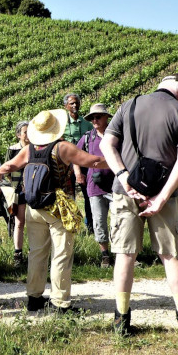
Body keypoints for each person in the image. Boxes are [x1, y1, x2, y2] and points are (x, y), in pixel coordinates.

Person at [99, 74, 178, 334]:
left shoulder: (128, 105)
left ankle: (121, 318)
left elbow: (106, 143)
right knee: (171, 255)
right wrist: (162, 197)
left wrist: (123, 176)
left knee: (125, 254)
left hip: (125, 191)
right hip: (164, 194)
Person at [0, 110, 107, 313]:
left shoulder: (30, 149)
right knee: (61, 254)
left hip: (34, 207)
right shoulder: (63, 147)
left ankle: (34, 298)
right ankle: (60, 302)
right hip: (58, 207)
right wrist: (117, 162)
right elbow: (92, 161)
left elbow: (10, 165)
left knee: (36, 253)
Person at [77, 104, 115, 268]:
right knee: (99, 222)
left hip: (115, 186)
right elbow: (75, 156)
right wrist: (78, 173)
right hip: (94, 187)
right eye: (92, 117)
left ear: (106, 117)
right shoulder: (87, 137)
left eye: (98, 116)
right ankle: (105, 255)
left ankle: (123, 254)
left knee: (119, 222)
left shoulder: (115, 136)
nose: (94, 120)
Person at [62, 93, 95, 234]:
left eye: (76, 103)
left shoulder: (86, 123)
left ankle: (90, 225)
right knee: (69, 196)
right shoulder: (62, 124)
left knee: (89, 194)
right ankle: (71, 226)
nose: (75, 105)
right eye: (71, 103)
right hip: (66, 165)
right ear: (66, 106)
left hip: (83, 163)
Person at [5, 121, 30, 269]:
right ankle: (18, 253)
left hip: (33, 190)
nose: (28, 135)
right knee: (19, 222)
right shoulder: (12, 150)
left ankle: (34, 251)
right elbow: (8, 170)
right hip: (18, 190)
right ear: (18, 134)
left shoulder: (35, 148)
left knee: (34, 222)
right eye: (25, 132)